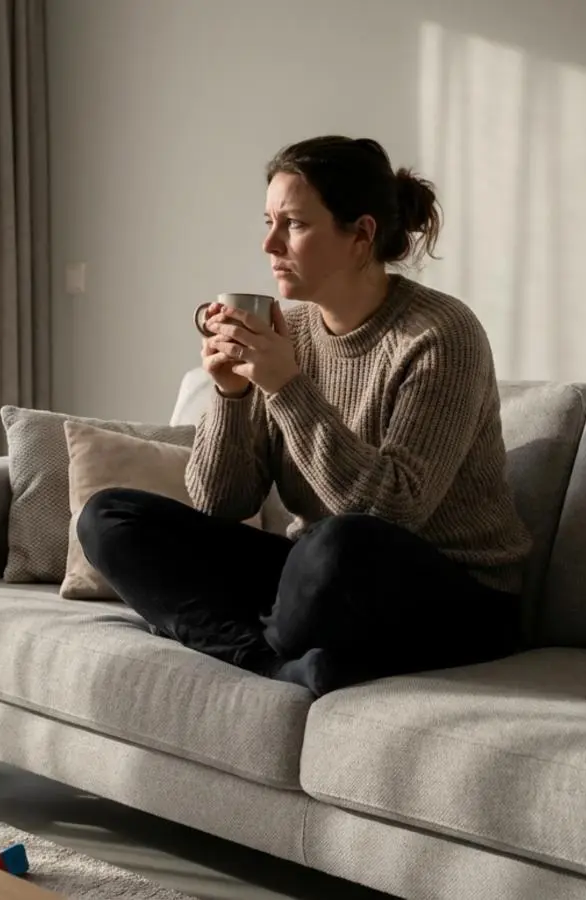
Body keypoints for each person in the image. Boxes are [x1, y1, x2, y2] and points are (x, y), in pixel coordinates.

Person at [76, 135, 532, 697]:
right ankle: (270, 661)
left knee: (336, 547)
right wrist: (231, 395)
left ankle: (245, 639)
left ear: (361, 235)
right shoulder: (292, 334)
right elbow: (223, 504)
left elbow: (391, 512)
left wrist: (284, 385)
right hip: (319, 582)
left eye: (292, 224)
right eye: (267, 221)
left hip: (454, 594)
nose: (269, 243)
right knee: (110, 517)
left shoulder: (440, 334)